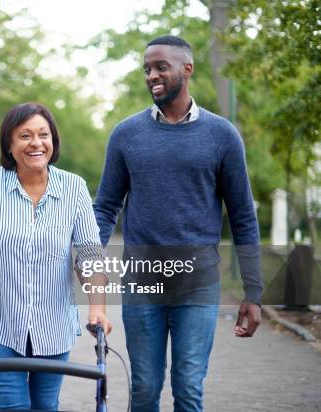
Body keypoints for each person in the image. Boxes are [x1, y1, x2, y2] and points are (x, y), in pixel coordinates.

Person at [93, 35, 264, 412]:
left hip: (198, 285)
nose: (152, 75)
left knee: (188, 389)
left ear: (186, 70)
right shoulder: (126, 134)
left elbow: (242, 217)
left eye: (160, 67)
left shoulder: (222, 135)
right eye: (147, 69)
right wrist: (90, 261)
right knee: (144, 389)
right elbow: (105, 207)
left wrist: (253, 292)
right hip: (142, 282)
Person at [0, 102, 112, 411]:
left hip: (53, 324)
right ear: (9, 143)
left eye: (43, 134)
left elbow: (89, 254)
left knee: (46, 405)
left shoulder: (74, 188)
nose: (36, 143)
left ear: (53, 141)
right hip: (1, 321)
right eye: (25, 135)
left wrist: (97, 307)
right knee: (13, 406)